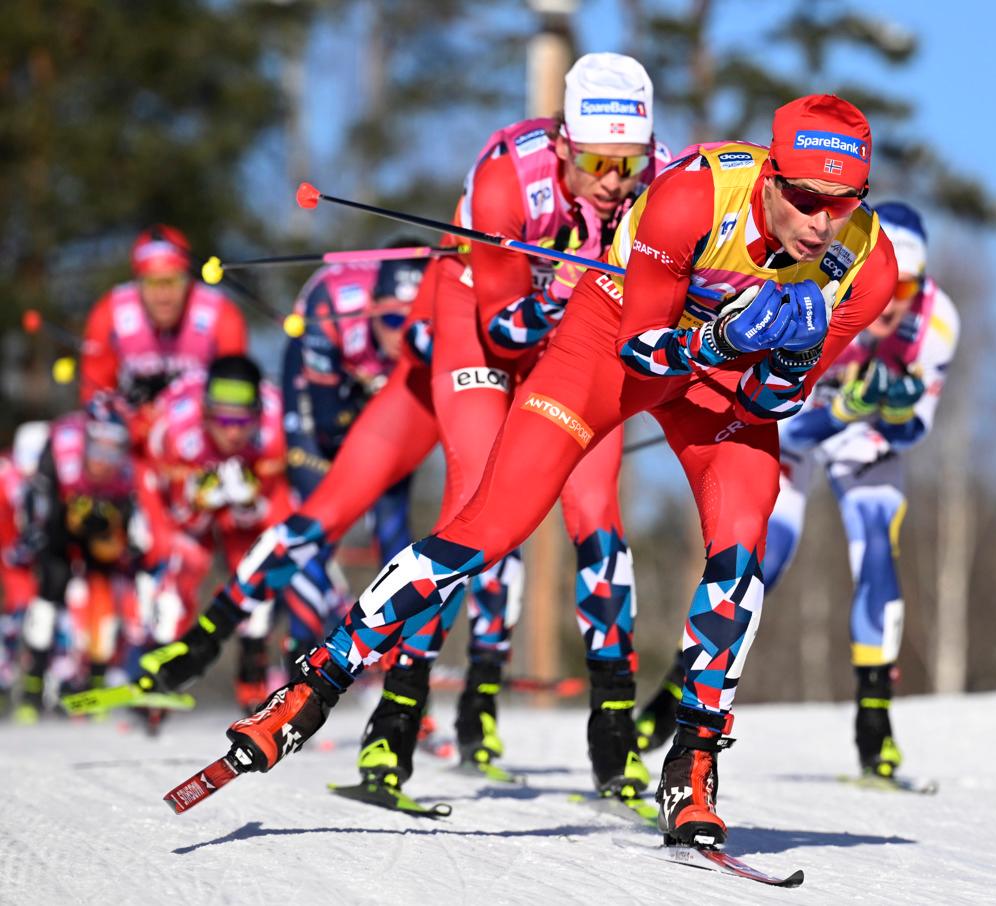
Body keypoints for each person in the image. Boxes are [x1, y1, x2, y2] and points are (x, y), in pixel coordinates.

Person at [224, 93, 898, 848]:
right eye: (805, 198)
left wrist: (794, 356)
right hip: (614, 340)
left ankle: (694, 762)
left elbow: (772, 400)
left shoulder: (868, 265)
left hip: (719, 381)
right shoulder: (692, 197)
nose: (820, 223)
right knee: (490, 526)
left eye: (842, 205)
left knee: (744, 543)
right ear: (772, 177)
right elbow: (643, 349)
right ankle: (315, 682)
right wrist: (722, 338)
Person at [139, 53, 667, 804]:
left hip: (576, 341)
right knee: (472, 510)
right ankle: (390, 728)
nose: (616, 182)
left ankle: (614, 744)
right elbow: (507, 330)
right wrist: (581, 286)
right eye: (596, 162)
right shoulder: (507, 177)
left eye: (631, 163)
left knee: (597, 516)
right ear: (561, 144)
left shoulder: (665, 182)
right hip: (479, 330)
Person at [634, 202, 959, 785]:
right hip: (801, 429)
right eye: (892, 284)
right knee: (762, 561)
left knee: (878, 552)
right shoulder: (830, 288)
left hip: (865, 443)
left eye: (908, 287)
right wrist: (846, 407)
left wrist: (895, 410)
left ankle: (874, 727)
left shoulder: (937, 321)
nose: (894, 303)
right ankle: (669, 703)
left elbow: (915, 430)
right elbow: (788, 420)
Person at [278, 250, 429, 658]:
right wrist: (365, 404)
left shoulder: (432, 331)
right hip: (322, 382)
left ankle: (402, 666)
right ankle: (299, 650)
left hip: (376, 388)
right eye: (393, 322)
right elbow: (327, 424)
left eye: (415, 323)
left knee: (393, 525)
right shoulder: (333, 303)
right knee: (317, 514)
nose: (402, 336)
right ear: (372, 310)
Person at [136, 355, 290, 713]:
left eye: (242, 421)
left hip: (246, 514)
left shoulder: (274, 432)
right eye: (222, 420)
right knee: (183, 563)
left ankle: (253, 671)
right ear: (205, 413)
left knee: (259, 566)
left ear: (258, 415)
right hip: (181, 504)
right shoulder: (175, 431)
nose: (233, 432)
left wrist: (248, 505)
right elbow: (177, 519)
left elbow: (276, 516)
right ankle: (157, 668)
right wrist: (197, 499)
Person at [16, 397, 139, 723]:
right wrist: (44, 528)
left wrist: (114, 532)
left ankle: (95, 682)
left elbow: (125, 529)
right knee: (52, 584)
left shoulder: (125, 473)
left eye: (114, 449)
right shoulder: (60, 449)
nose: (104, 459)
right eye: (98, 447)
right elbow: (37, 502)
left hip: (98, 520)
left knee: (104, 586)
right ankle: (33, 685)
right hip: (58, 513)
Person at [81, 226, 248, 446]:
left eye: (173, 281)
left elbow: (235, 397)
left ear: (189, 280)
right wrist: (131, 422)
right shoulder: (109, 314)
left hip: (199, 444)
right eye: (152, 282)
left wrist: (179, 418)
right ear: (137, 282)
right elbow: (94, 395)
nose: (163, 296)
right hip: (132, 446)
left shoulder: (220, 315)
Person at [0, 423, 48, 711]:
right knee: (14, 620)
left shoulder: (47, 478)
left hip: (29, 562)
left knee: (37, 617)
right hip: (10, 558)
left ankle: (40, 685)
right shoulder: (7, 474)